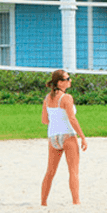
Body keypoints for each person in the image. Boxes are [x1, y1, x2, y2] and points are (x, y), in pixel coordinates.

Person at [41, 69, 87, 205]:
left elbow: (45, 120)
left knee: (50, 171)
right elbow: (72, 119)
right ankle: (76, 202)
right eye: (67, 79)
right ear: (60, 83)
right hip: (68, 135)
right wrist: (83, 137)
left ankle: (43, 202)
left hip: (53, 136)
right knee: (73, 171)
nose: (70, 81)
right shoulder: (66, 98)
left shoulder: (47, 98)